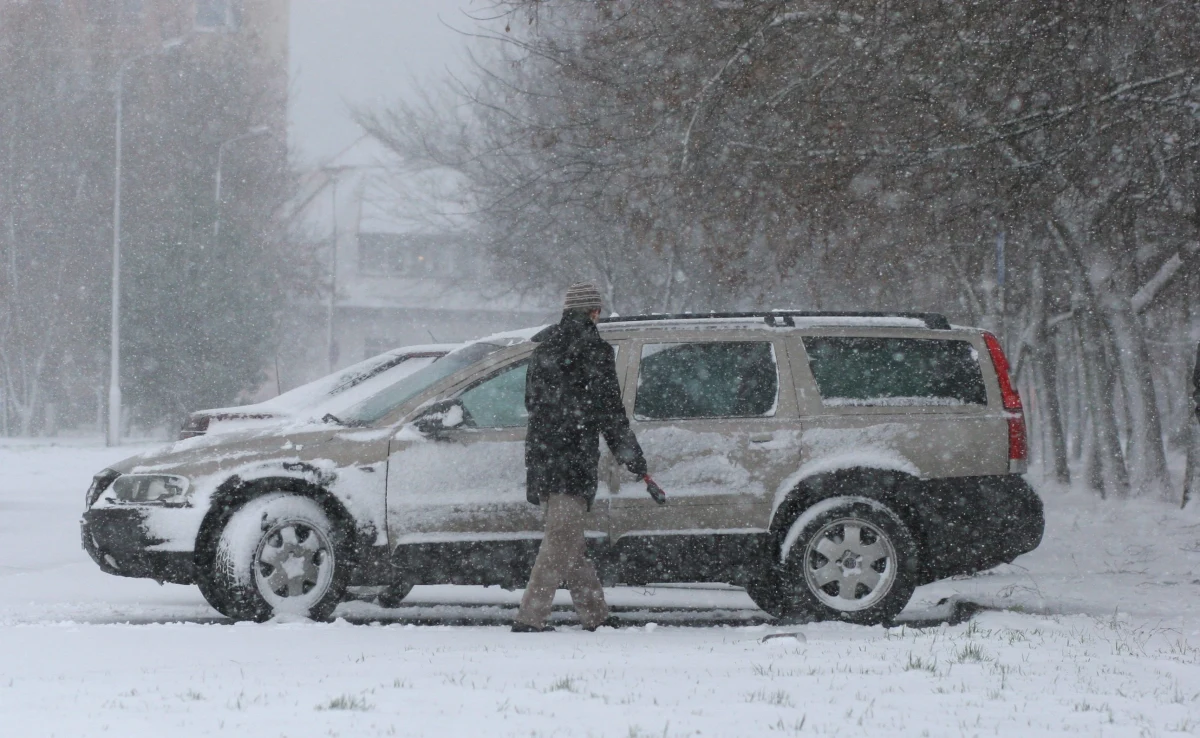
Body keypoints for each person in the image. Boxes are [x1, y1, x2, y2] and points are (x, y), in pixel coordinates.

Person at [513, 282, 660, 632]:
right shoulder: (595, 351)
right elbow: (610, 412)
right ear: (594, 312)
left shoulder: (544, 348)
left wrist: (554, 430)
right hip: (573, 458)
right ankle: (529, 618)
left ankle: (596, 615)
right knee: (561, 540)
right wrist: (633, 459)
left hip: (544, 458)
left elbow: (532, 405)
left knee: (568, 541)